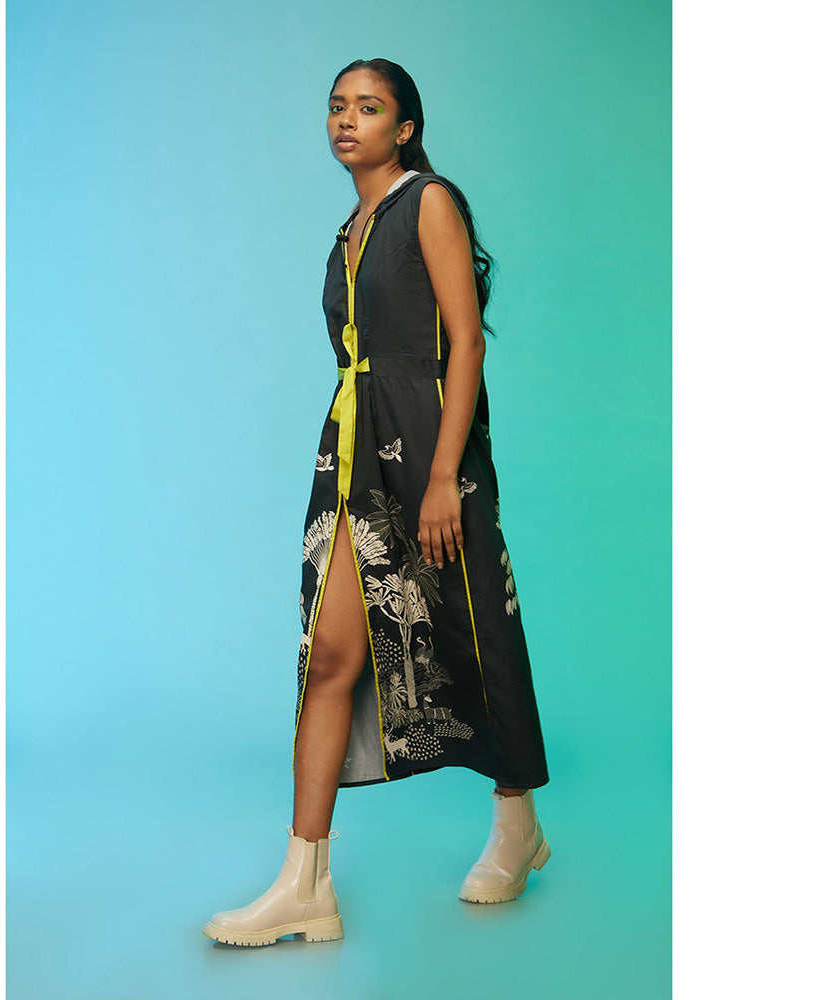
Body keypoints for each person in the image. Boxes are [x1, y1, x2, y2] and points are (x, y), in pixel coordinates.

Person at [203, 59, 551, 948]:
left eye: (368, 107)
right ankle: (305, 885)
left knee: (475, 625)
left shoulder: (428, 201)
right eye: (337, 107)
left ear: (405, 128)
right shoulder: (348, 232)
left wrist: (442, 477)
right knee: (328, 653)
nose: (347, 120)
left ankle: (517, 824)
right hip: (354, 454)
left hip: (433, 448)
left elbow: (466, 340)